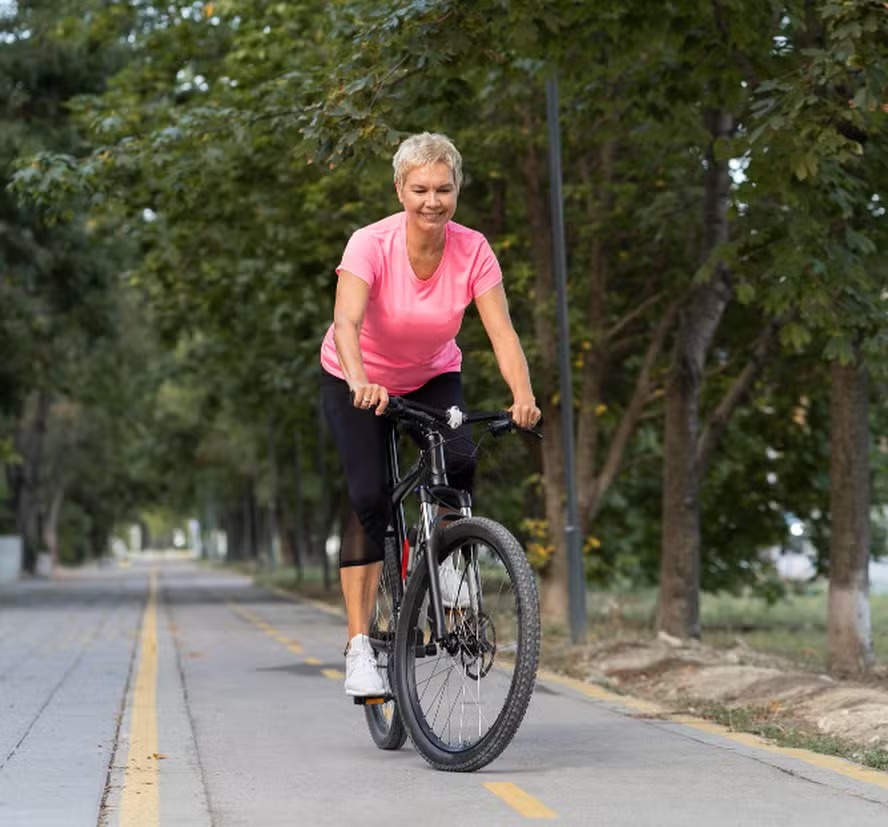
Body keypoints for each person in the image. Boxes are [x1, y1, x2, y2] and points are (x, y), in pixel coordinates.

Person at [319, 131, 541, 697]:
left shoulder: (473, 249)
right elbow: (346, 324)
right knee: (369, 497)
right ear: (400, 189)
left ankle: (441, 561)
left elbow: (501, 331)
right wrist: (362, 380)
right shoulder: (369, 244)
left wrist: (523, 396)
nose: (432, 201)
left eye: (444, 189)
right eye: (420, 189)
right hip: (358, 375)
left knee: (460, 457)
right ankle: (359, 648)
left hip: (433, 374)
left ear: (457, 190)